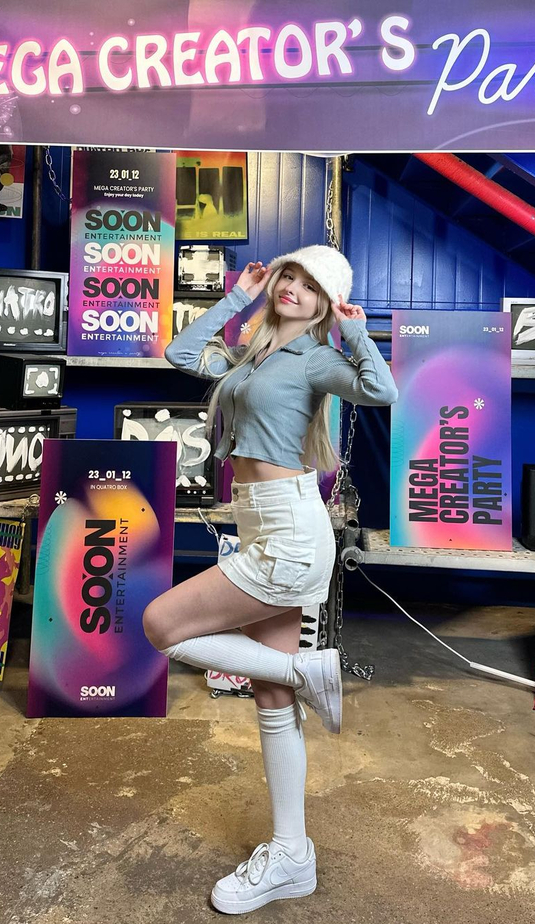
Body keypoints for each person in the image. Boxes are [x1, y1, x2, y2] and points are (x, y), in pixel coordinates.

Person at [143, 244, 398, 914]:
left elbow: (381, 391)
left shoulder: (317, 359)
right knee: (273, 695)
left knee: (160, 625)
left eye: (312, 286)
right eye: (291, 276)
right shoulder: (250, 353)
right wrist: (238, 298)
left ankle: (306, 670)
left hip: (289, 532)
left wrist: (354, 333)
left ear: (324, 304)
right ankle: (292, 856)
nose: (295, 289)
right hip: (259, 524)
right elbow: (179, 352)